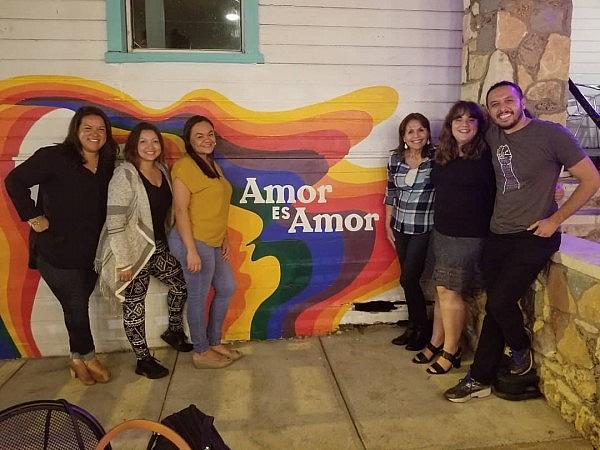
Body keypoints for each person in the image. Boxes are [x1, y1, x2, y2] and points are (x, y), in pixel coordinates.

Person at [445, 81, 600, 402]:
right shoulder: (491, 134)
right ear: (488, 111)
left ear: (521, 101)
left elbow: (591, 179)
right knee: (495, 307)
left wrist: (556, 219)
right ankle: (480, 378)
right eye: (494, 104)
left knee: (500, 303)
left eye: (508, 101)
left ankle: (519, 348)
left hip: (534, 236)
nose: (502, 108)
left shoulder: (551, 135)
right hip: (497, 234)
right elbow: (463, 140)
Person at [5, 106, 117, 385]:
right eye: (88, 128)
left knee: (74, 306)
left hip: (92, 253)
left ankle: (76, 359)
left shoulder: (107, 164)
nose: (95, 134)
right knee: (76, 304)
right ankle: (89, 357)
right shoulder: (53, 157)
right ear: (76, 131)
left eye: (101, 129)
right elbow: (14, 180)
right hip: (55, 251)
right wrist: (32, 215)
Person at [95, 122, 193, 379]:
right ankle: (143, 359)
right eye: (143, 142)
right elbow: (115, 222)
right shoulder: (124, 175)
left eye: (155, 141)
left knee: (180, 285)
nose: (150, 147)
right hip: (132, 251)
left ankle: (173, 331)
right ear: (133, 146)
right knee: (135, 304)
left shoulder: (162, 169)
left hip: (156, 246)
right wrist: (124, 262)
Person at [411, 101, 495, 374]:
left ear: (479, 126)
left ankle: (452, 350)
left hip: (468, 236)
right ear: (450, 125)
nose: (465, 124)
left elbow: (514, 180)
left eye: (471, 120)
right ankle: (436, 341)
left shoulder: (486, 156)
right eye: (458, 119)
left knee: (451, 292)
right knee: (440, 289)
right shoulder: (444, 154)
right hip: (442, 231)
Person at [168, 115, 241, 369]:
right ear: (189, 140)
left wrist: (224, 239)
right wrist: (190, 251)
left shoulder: (212, 165)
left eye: (210, 134)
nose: (207, 139)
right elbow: (180, 210)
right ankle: (201, 351)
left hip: (212, 241)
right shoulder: (184, 167)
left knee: (227, 287)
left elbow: (217, 206)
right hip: (193, 241)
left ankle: (214, 341)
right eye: (199, 136)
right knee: (198, 296)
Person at [385, 113, 435, 351]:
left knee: (408, 278)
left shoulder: (437, 158)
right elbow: (391, 192)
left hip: (424, 227)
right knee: (408, 279)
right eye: (411, 131)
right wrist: (387, 223)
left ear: (427, 134)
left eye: (421, 130)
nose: (416, 135)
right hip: (400, 226)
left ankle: (422, 329)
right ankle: (414, 327)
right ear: (403, 137)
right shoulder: (395, 159)